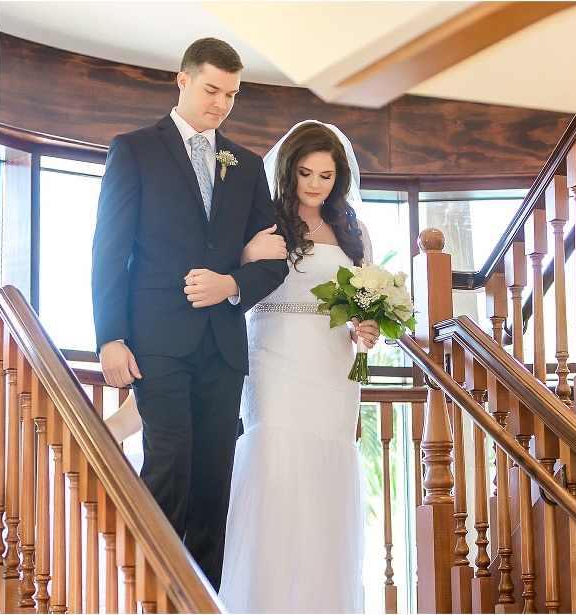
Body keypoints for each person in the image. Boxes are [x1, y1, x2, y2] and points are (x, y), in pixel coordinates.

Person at [91, 37, 289, 590]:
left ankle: (201, 600)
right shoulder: (133, 150)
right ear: (182, 81)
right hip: (156, 342)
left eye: (231, 94)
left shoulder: (248, 166)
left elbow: (273, 259)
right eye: (211, 90)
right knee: (168, 466)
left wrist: (230, 283)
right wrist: (110, 337)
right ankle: (149, 594)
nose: (221, 103)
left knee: (212, 482)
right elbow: (109, 251)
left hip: (223, 348)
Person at [218, 119, 377, 613]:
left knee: (323, 487)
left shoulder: (353, 231)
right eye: (306, 172)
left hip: (332, 366)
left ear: (339, 179)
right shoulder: (265, 221)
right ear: (289, 171)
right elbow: (237, 284)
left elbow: (358, 307)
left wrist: (364, 329)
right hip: (273, 356)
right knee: (277, 470)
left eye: (326, 176)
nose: (314, 184)